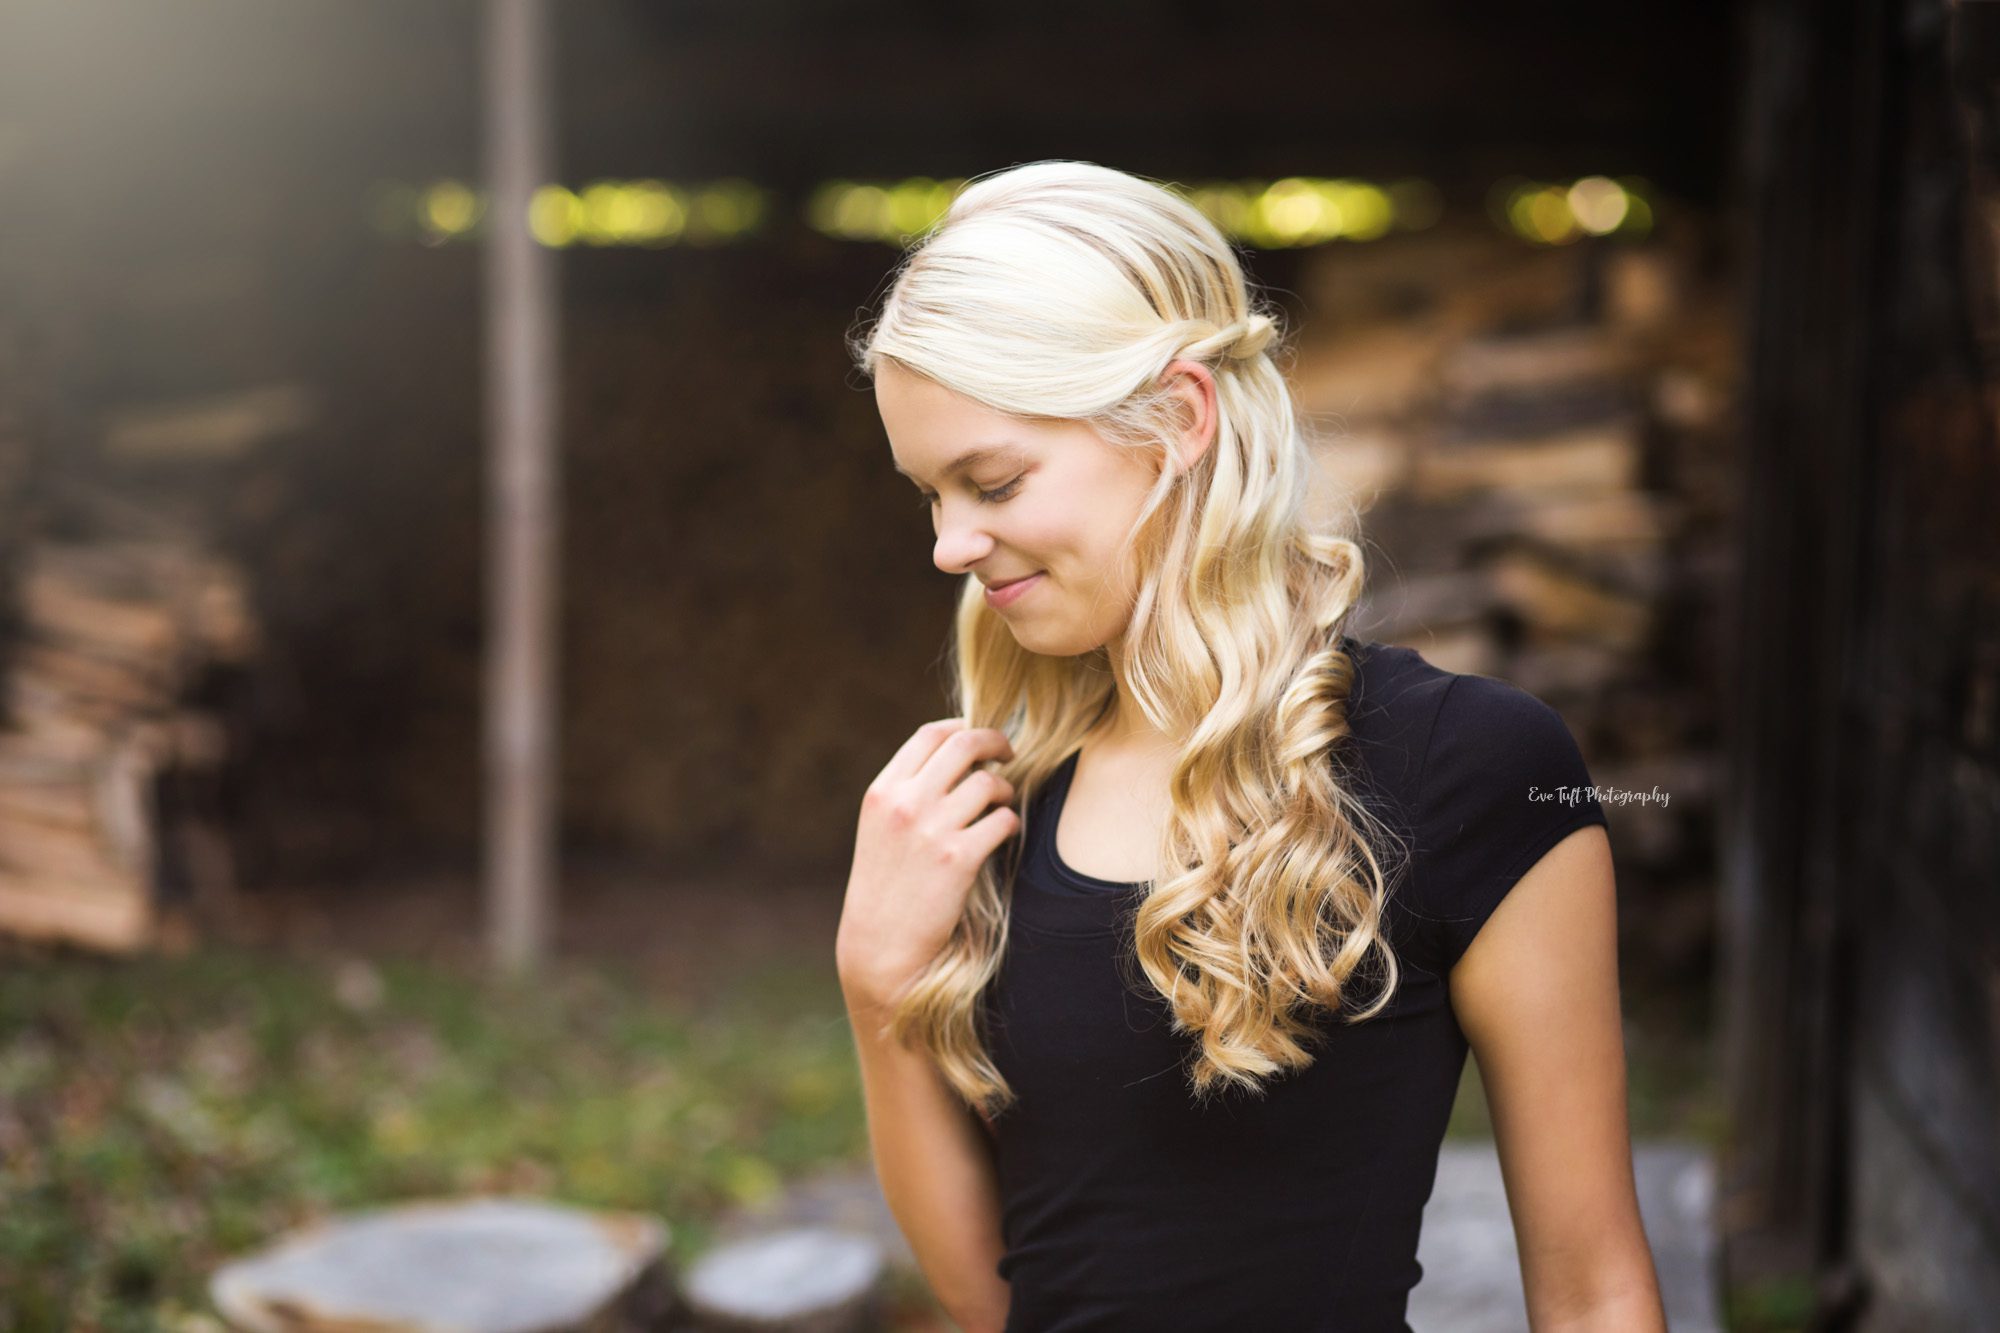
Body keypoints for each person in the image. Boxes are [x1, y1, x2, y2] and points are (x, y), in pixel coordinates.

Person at [833, 160, 1666, 1333]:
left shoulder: (1470, 766)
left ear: (1179, 417)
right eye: (930, 494)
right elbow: (999, 1300)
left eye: (993, 482)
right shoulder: (995, 800)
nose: (949, 545)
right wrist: (875, 985)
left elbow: (1591, 1294)